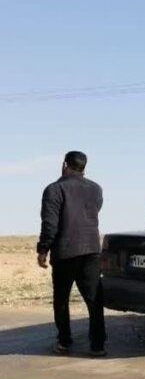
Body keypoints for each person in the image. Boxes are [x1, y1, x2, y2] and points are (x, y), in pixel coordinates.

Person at [37, 151, 106, 356]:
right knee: (94, 300)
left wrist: (43, 250)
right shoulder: (95, 189)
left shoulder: (54, 190)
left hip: (65, 252)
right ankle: (98, 345)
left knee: (62, 300)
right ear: (84, 167)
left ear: (64, 165)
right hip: (92, 250)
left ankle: (64, 342)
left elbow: (50, 224)